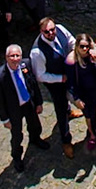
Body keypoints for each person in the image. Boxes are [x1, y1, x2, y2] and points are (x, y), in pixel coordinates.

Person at [0, 45, 47, 172]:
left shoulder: (26, 64)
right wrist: (5, 120)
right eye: (12, 56)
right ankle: (17, 157)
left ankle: (35, 139)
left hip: (28, 103)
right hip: (14, 109)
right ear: (6, 57)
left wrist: (38, 102)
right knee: (17, 135)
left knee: (34, 124)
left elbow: (33, 84)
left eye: (17, 56)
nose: (15, 59)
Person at [30, 17, 78, 156]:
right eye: (47, 32)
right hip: (55, 82)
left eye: (52, 30)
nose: (51, 33)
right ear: (41, 32)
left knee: (72, 96)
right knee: (60, 107)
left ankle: (70, 111)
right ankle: (65, 140)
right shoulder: (37, 52)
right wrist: (60, 78)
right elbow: (40, 75)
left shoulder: (61, 29)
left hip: (68, 73)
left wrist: (74, 52)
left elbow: (71, 40)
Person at [66, 32, 96, 154]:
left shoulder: (91, 57)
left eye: (87, 46)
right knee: (87, 114)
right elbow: (70, 82)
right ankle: (92, 133)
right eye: (82, 46)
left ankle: (95, 120)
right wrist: (76, 98)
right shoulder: (73, 62)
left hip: (94, 88)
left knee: (94, 108)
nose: (84, 49)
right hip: (82, 93)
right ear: (76, 46)